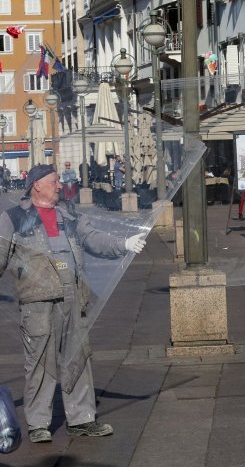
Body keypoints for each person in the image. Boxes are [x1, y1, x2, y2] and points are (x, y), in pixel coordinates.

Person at [0, 164, 146, 443]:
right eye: (54, 181)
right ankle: (38, 423)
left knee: (77, 358)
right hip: (37, 301)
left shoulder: (68, 214)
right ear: (37, 185)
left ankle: (81, 419)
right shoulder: (15, 218)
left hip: (73, 297)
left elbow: (94, 239)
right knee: (40, 363)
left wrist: (124, 243)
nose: (59, 186)